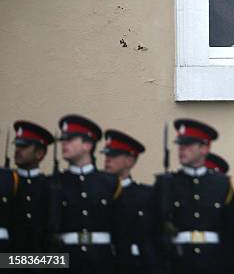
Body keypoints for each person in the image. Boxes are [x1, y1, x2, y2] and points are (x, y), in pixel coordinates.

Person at [153, 119, 234, 274]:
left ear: (205, 148)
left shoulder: (222, 184)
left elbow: (231, 231)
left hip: (213, 261)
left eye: (188, 145)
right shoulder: (166, 183)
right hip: (177, 261)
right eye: (180, 144)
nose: (181, 149)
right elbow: (153, 228)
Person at [47, 114, 121, 274]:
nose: (64, 144)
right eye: (63, 140)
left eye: (70, 139)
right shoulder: (54, 182)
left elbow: (120, 229)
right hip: (65, 260)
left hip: (102, 260)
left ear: (87, 145)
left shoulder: (110, 183)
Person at [102, 129, 160, 274]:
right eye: (107, 154)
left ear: (129, 160)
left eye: (114, 155)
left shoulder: (146, 195)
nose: (107, 159)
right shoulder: (96, 191)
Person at [11, 121, 54, 258]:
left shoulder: (50, 186)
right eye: (17, 145)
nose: (18, 150)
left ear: (39, 153)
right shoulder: (7, 183)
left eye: (24, 146)